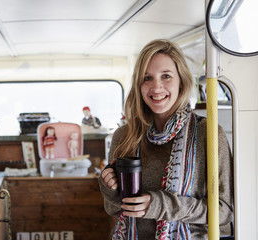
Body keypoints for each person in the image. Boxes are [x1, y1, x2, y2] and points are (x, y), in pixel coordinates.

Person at [99, 39, 234, 239]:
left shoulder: (209, 134)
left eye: (166, 76)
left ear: (181, 81)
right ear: (139, 85)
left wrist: (160, 205)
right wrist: (109, 189)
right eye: (147, 78)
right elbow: (114, 209)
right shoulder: (124, 136)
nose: (156, 87)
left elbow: (224, 212)